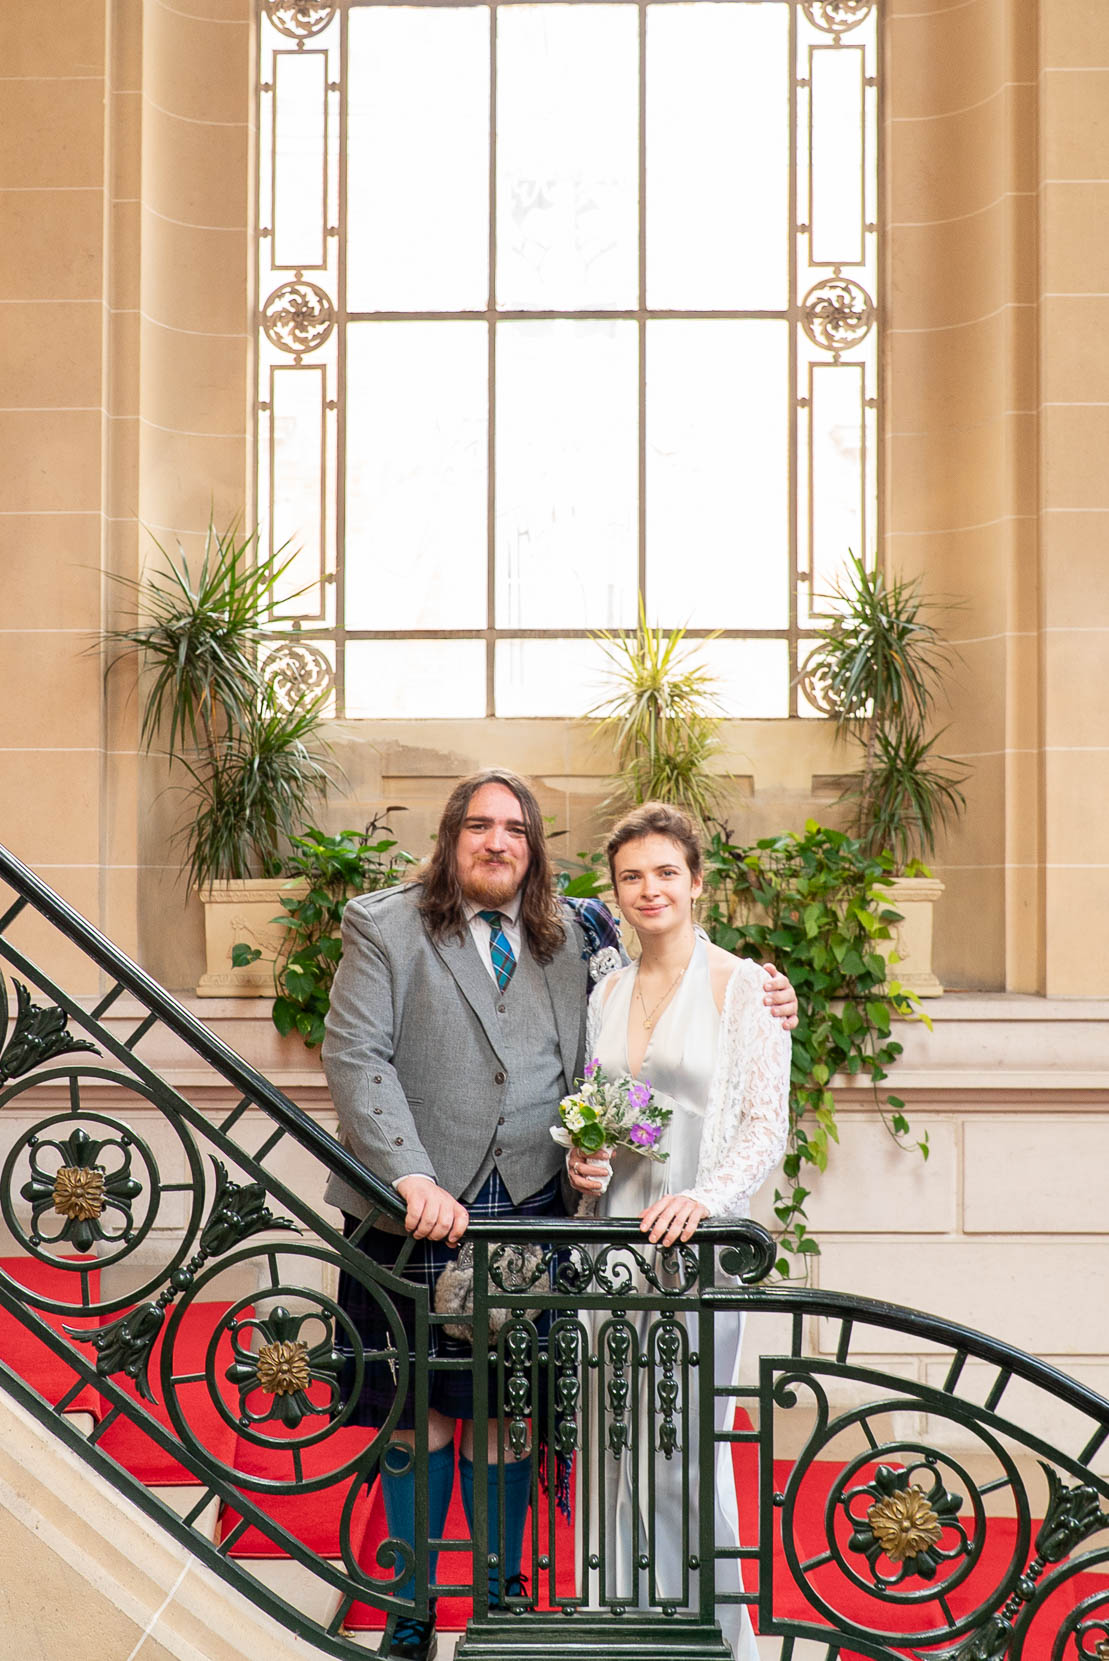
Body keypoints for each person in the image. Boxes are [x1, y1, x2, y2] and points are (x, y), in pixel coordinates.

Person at [321, 770, 797, 1660]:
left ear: (535, 847)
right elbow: (355, 1056)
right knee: (417, 1415)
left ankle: (501, 1603)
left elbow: (667, 1027)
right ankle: (411, 1615)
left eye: (515, 828)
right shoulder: (384, 923)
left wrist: (771, 997)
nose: (496, 841)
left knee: (509, 1415)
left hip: (542, 1212)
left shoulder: (573, 934)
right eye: (478, 825)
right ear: (449, 836)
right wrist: (409, 1175)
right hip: (417, 1212)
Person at [567, 801, 792, 1661]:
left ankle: (709, 1642)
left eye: (665, 871)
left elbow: (764, 1126)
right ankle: (615, 1634)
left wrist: (705, 1199)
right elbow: (596, 1113)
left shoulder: (746, 987)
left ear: (696, 881)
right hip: (610, 1248)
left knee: (684, 1448)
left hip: (696, 1250)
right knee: (608, 1442)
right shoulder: (605, 990)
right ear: (615, 891)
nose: (649, 888)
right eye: (631, 876)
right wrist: (583, 1161)